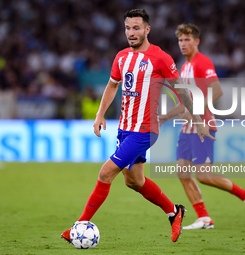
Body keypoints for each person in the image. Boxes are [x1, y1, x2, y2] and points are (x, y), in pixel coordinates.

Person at [61, 10, 214, 243]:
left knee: (105, 172)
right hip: (124, 128)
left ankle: (78, 226)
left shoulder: (160, 58)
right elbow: (112, 86)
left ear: (147, 30)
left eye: (136, 28)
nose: (131, 33)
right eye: (128, 28)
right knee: (134, 181)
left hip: (145, 130)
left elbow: (182, 91)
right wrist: (100, 114)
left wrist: (198, 120)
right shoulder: (121, 56)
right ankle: (175, 212)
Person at [159, 24, 245, 230]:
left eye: (187, 40)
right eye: (180, 40)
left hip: (202, 126)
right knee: (183, 173)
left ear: (197, 41)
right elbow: (185, 102)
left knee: (204, 175)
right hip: (187, 128)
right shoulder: (184, 66)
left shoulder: (202, 62)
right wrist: (166, 116)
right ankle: (204, 218)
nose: (183, 44)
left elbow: (217, 92)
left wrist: (195, 108)